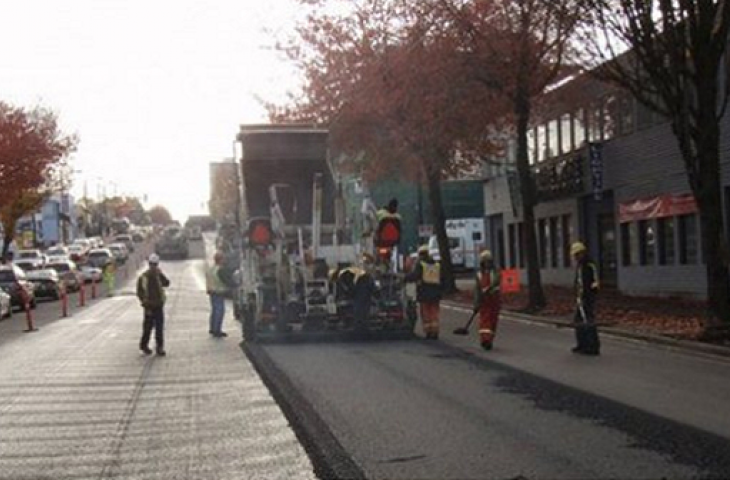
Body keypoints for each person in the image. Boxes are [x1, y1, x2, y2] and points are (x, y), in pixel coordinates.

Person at [136, 254, 171, 356]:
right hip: (149, 307)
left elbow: (167, 283)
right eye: (152, 264)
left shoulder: (158, 275)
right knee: (147, 328)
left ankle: (159, 347)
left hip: (159, 306)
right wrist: (145, 302)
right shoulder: (143, 277)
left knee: (159, 328)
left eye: (155, 264)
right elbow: (140, 292)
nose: (153, 266)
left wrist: (161, 274)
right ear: (149, 264)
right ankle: (144, 345)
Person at [406, 245, 443, 339]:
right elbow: (442, 278)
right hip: (436, 293)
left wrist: (405, 278)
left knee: (425, 313)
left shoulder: (420, 264)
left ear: (420, 254)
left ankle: (428, 332)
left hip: (424, 292)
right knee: (434, 313)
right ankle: (435, 331)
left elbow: (414, 276)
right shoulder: (437, 264)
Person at [571, 241, 601, 356]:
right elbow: (579, 281)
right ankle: (582, 344)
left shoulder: (589, 265)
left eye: (577, 254)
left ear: (582, 253)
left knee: (588, 321)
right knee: (579, 321)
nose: (576, 257)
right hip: (580, 298)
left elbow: (595, 282)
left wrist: (589, 295)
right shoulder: (580, 266)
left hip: (587, 298)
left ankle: (592, 346)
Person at [473, 250, 501, 350]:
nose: (487, 263)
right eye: (485, 261)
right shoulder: (479, 274)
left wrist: (489, 288)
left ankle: (490, 339)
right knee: (485, 319)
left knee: (493, 320)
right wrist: (476, 303)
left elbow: (497, 281)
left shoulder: (495, 271)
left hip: (494, 298)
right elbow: (477, 289)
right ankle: (485, 340)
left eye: (489, 261)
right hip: (484, 300)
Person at [206, 251, 235, 337]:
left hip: (211, 291)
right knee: (219, 311)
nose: (225, 260)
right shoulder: (220, 270)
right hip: (219, 292)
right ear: (220, 260)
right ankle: (217, 330)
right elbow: (226, 280)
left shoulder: (211, 269)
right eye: (223, 259)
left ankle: (212, 328)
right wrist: (235, 286)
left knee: (214, 311)